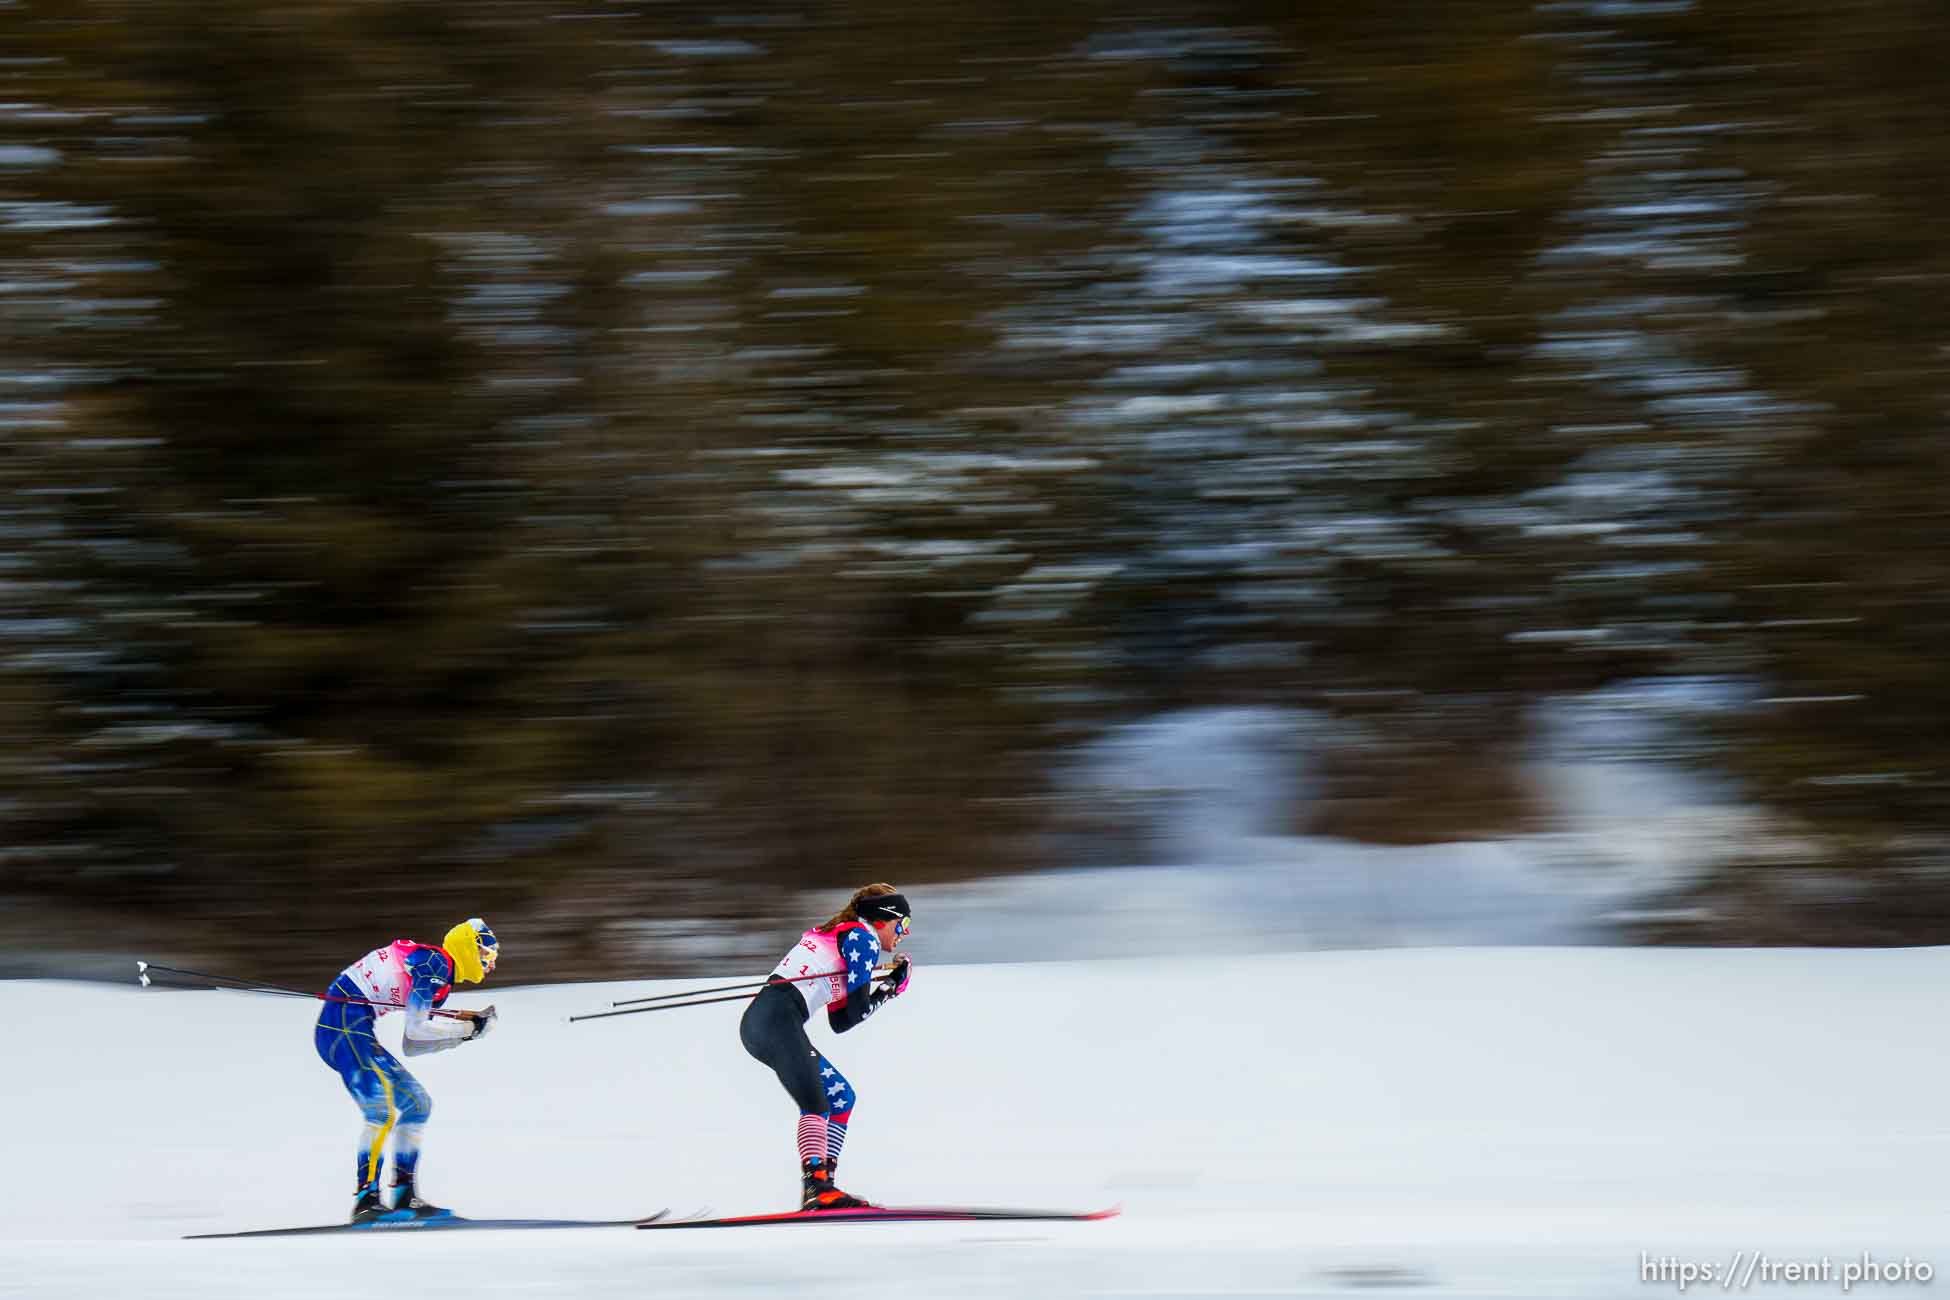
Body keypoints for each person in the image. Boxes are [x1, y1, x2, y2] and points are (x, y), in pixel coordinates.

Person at [314, 918, 500, 1223]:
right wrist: (465, 1028)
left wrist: (462, 1034)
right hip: (341, 1024)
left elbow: (412, 1044)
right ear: (468, 948)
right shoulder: (436, 963)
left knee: (417, 1104)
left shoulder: (440, 976)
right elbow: (416, 1031)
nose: (489, 963)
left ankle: (403, 1196)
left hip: (355, 1026)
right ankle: (366, 1201)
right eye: (485, 954)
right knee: (381, 1111)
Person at [740, 884, 913, 1211]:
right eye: (902, 925)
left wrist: (886, 987)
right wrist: (890, 989)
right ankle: (817, 1187)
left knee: (840, 1097)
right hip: (775, 1020)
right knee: (816, 1102)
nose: (903, 934)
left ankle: (825, 1187)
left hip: (769, 1022)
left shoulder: (849, 936)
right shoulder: (863, 939)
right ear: (882, 919)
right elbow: (859, 1009)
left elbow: (842, 1021)